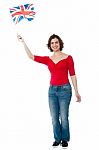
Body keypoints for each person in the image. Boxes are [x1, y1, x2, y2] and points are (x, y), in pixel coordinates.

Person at [17, 34, 81, 148]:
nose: (54, 44)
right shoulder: (48, 59)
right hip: (52, 91)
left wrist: (77, 91)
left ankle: (65, 139)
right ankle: (57, 139)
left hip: (65, 90)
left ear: (60, 43)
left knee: (64, 117)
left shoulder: (68, 57)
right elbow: (31, 56)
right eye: (52, 43)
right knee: (54, 117)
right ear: (50, 45)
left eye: (56, 42)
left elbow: (73, 75)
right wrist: (23, 43)